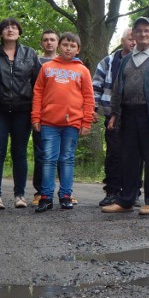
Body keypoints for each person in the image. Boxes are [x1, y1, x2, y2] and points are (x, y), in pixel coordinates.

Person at [101, 17, 149, 216]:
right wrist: (114, 114)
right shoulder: (126, 59)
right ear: (133, 36)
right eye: (139, 31)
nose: (143, 34)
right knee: (128, 159)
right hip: (128, 115)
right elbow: (118, 89)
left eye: (147, 31)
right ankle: (126, 200)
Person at [31, 32, 95, 213]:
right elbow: (38, 93)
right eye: (65, 44)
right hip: (49, 123)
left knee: (66, 159)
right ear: (59, 46)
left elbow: (89, 98)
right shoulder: (47, 67)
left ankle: (66, 195)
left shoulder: (82, 70)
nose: (68, 48)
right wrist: (36, 117)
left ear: (78, 49)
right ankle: (45, 197)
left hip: (72, 123)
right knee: (48, 159)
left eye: (72, 46)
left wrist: (86, 122)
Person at [0, 18, 41, 210]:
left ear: (19, 32)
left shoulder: (30, 54)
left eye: (14, 27)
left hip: (23, 111)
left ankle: (19, 195)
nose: (10, 30)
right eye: (6, 27)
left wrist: (37, 112)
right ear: (0, 32)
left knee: (19, 153)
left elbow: (39, 85)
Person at [92, 28, 137, 206]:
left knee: (134, 155)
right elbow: (96, 86)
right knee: (113, 154)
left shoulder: (142, 61)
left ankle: (134, 192)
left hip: (135, 114)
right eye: (129, 39)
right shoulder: (108, 61)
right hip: (112, 114)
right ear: (122, 40)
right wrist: (94, 109)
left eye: (135, 39)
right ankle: (111, 191)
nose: (133, 42)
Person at [31, 29, 60, 205]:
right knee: (41, 153)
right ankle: (40, 191)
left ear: (58, 43)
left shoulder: (66, 62)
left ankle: (64, 192)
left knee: (62, 155)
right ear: (41, 43)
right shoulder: (35, 62)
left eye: (52, 40)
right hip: (40, 114)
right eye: (46, 40)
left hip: (62, 116)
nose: (49, 43)